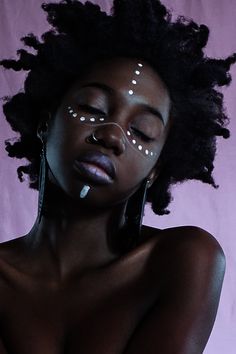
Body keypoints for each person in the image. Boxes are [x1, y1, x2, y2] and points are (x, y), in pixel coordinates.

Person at [0, 0, 235, 353]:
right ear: (45, 123)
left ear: (155, 171)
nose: (111, 136)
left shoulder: (181, 261)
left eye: (141, 131)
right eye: (93, 108)